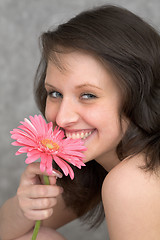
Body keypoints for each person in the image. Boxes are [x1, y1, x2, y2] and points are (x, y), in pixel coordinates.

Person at [1, 4, 160, 240]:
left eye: (88, 95)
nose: (63, 118)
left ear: (138, 97)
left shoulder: (134, 180)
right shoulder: (91, 165)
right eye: (55, 93)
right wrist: (25, 204)